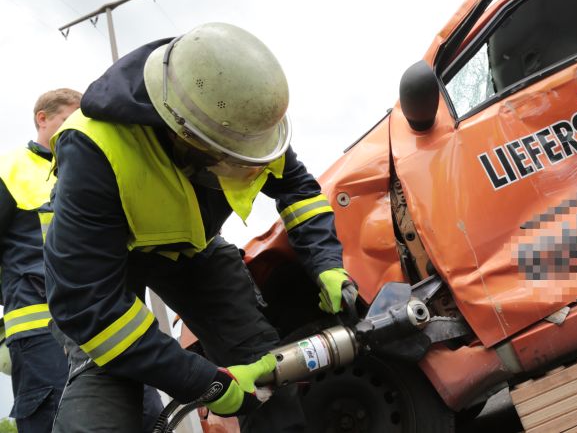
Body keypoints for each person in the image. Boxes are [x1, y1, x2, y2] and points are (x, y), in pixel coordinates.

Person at [44, 23, 352, 432]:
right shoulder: (94, 148)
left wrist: (328, 263)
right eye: (228, 161)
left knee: (261, 362)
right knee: (108, 381)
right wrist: (203, 383)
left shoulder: (243, 120)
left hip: (195, 251)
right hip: (109, 265)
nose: (243, 169)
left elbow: (298, 190)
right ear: (181, 134)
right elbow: (90, 310)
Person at [0, 89, 80, 432]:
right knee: (54, 419)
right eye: (67, 120)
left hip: (103, 321)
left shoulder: (87, 169)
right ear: (42, 119)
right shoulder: (10, 169)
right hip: (39, 329)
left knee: (140, 414)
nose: (75, 129)